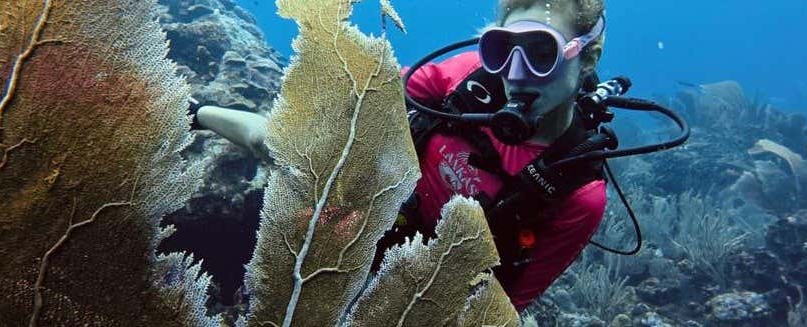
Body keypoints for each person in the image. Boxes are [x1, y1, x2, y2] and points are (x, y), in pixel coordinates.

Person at [190, 0, 610, 312]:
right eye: (502, 50)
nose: (516, 75)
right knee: (285, 146)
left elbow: (503, 308)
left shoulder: (577, 189)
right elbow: (355, 118)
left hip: (429, 298)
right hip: (371, 221)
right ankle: (196, 111)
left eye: (542, 54)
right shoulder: (458, 80)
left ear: (587, 56)